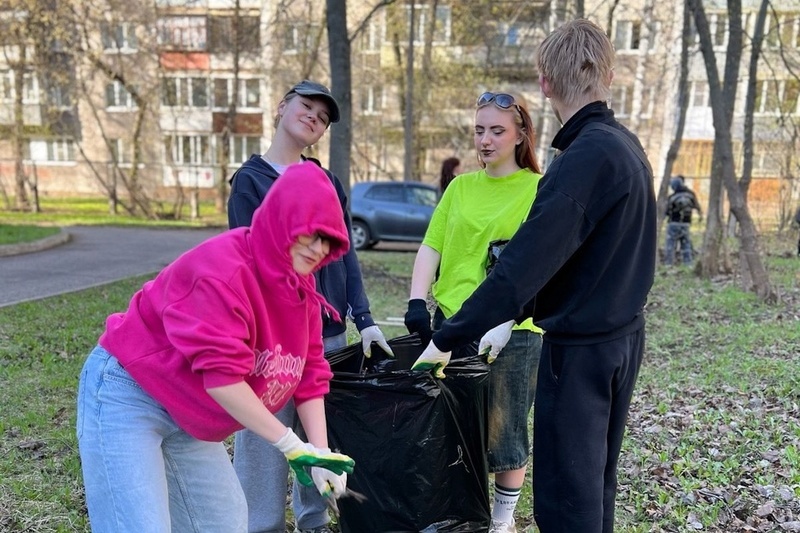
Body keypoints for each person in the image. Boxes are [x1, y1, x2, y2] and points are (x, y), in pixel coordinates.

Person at [410, 19, 657, 533]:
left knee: (568, 496)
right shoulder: (623, 145)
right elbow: (565, 261)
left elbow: (520, 268)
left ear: (544, 83)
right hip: (621, 339)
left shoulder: (584, 158)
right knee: (595, 483)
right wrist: (512, 314)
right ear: (607, 73)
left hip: (583, 350)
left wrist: (449, 337)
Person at [76, 162, 356, 532]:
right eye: (311, 233)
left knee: (224, 523)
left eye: (327, 240)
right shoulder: (224, 271)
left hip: (189, 417)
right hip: (129, 392)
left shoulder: (302, 292)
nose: (318, 248)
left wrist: (319, 453)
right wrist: (290, 444)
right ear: (283, 217)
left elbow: (311, 374)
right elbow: (222, 379)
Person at [227, 80, 391, 533]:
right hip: (271, 340)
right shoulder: (250, 181)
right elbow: (251, 262)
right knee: (266, 437)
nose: (314, 116)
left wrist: (366, 318)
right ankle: (259, 524)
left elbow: (346, 258)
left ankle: (314, 520)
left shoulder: (326, 181)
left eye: (323, 116)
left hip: (327, 333)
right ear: (282, 108)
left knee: (317, 428)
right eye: (306, 106)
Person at [405, 91, 544, 533]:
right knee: (452, 427)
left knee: (504, 431)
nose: (485, 140)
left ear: (521, 134)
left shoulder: (537, 189)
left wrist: (507, 318)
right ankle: (461, 512)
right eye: (479, 130)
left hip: (514, 331)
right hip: (452, 325)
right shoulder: (460, 187)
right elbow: (432, 245)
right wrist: (415, 300)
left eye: (497, 130)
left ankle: (502, 523)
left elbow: (539, 264)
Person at [664, 175, 703, 265]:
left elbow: (666, 211)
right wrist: (700, 216)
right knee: (686, 244)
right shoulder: (690, 195)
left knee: (670, 245)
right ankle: (688, 263)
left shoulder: (672, 197)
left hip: (673, 223)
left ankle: (668, 263)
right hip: (686, 224)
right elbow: (697, 207)